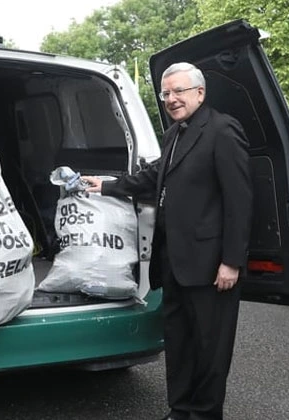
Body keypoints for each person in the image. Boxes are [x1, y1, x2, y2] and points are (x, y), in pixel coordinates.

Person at [83, 62, 253, 420]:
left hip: (211, 266)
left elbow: (240, 200)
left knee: (210, 349)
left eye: (179, 91)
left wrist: (232, 261)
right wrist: (107, 186)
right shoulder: (175, 132)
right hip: (174, 262)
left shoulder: (222, 130)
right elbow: (154, 176)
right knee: (179, 344)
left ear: (200, 93)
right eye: (166, 93)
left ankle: (204, 415)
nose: (171, 99)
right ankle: (180, 410)